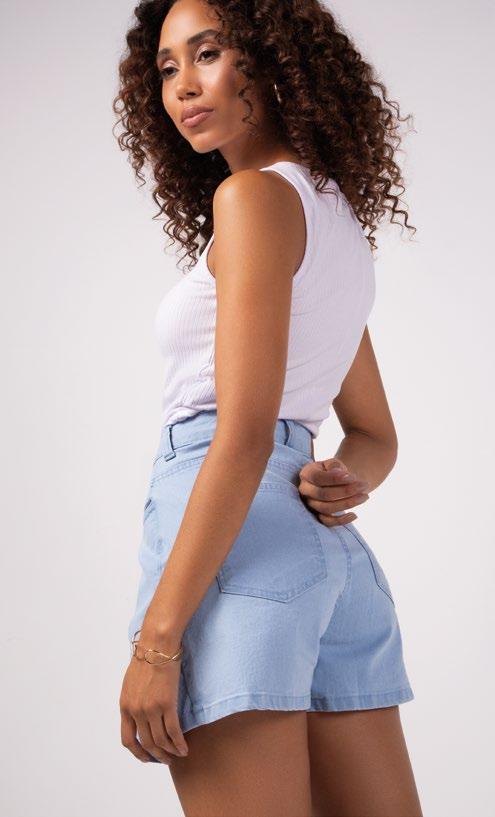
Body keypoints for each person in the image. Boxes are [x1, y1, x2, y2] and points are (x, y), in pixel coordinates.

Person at [113, 0, 423, 814]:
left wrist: (157, 641)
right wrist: (339, 477)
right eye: (167, 68)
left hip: (234, 541)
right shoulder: (328, 214)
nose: (183, 86)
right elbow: (373, 435)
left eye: (208, 52)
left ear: (273, 59)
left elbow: (243, 435)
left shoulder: (251, 198)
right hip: (327, 559)